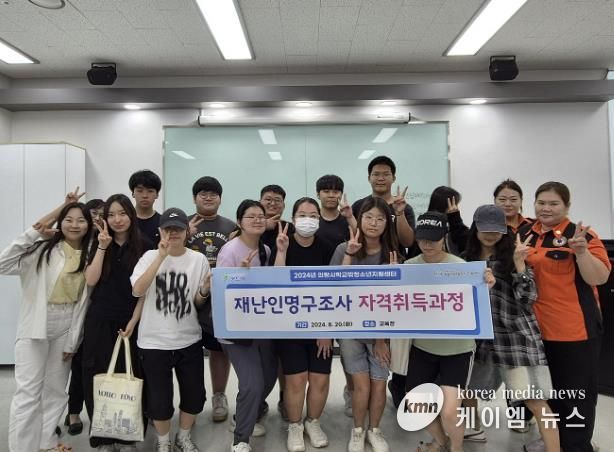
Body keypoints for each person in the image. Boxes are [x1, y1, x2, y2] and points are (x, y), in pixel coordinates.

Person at [519, 181, 610, 452]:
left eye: (553, 203)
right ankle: (553, 442)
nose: (546, 208)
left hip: (573, 332)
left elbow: (599, 277)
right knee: (547, 393)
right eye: (541, 203)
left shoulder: (581, 236)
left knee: (576, 395)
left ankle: (577, 446)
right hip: (535, 332)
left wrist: (581, 252)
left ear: (567, 206)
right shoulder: (525, 233)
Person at [0, 188, 92, 452]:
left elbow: (83, 304)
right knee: (29, 392)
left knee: (56, 390)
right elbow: (3, 263)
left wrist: (73, 341)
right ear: (59, 222)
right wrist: (46, 222)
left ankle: (46, 442)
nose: (74, 225)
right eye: (68, 219)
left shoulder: (90, 254)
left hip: (67, 324)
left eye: (81, 220)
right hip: (37, 323)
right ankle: (23, 448)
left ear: (88, 225)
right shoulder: (41, 250)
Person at [463, 205, 559, 452]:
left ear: (504, 231)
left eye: (496, 230)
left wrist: (519, 264)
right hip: (480, 338)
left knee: (535, 399)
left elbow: (528, 298)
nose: (490, 235)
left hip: (515, 339)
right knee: (467, 388)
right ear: (475, 228)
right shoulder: (465, 260)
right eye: (485, 229)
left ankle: (554, 448)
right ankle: (472, 428)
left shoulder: (514, 257)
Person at [400, 212, 494, 452]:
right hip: (423, 347)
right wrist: (392, 279)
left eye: (434, 239)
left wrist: (486, 285)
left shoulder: (461, 267)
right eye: (423, 239)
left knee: (450, 410)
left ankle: (457, 448)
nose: (427, 244)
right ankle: (441, 442)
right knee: (415, 404)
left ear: (444, 237)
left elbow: (477, 303)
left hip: (458, 349)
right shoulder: (409, 267)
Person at [130, 208, 210, 452]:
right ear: (160, 231)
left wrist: (204, 290)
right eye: (168, 229)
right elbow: (137, 290)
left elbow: (197, 302)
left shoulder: (198, 260)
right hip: (154, 342)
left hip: (189, 338)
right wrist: (160, 258)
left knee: (194, 395)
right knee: (159, 399)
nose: (173, 233)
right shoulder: (148, 257)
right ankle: (163, 441)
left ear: (187, 232)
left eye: (178, 229)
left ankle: (183, 437)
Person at [81, 194, 153, 451]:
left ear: (131, 216)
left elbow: (146, 291)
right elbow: (91, 280)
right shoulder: (96, 243)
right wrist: (102, 247)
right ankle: (103, 438)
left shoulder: (145, 246)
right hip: (100, 320)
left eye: (122, 213)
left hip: (132, 321)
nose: (117, 219)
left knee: (132, 376)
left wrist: (134, 319)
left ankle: (127, 437)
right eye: (111, 215)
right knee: (98, 376)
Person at [331, 197, 400, 452]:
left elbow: (390, 301)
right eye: (368, 217)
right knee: (360, 386)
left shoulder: (392, 254)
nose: (373, 223)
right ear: (359, 220)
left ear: (387, 223)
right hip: (350, 331)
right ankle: (358, 431)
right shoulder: (343, 248)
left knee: (379, 384)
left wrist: (381, 339)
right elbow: (335, 288)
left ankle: (375, 430)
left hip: (381, 333)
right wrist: (349, 254)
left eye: (380, 218)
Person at [350, 156, 415, 409]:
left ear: (393, 177)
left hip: (393, 271)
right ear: (369, 177)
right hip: (362, 277)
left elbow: (408, 242)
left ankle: (392, 387)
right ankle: (355, 392)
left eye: (385, 174)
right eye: (376, 174)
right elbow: (355, 239)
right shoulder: (360, 205)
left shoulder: (403, 206)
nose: (380, 178)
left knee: (391, 339)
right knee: (356, 341)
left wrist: (399, 213)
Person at [274, 197, 335, 452]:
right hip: (290, 326)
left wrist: (326, 329)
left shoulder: (327, 247)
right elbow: (275, 284)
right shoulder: (282, 243)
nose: (307, 220)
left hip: (322, 324)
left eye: (312, 215)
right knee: (296, 380)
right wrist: (281, 251)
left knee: (320, 379)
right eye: (301, 215)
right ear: (293, 218)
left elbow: (335, 289)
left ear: (319, 219)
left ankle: (313, 422)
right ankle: (295, 425)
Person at [216, 200, 278, 452]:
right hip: (235, 330)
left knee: (269, 376)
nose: (257, 220)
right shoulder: (229, 251)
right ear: (239, 221)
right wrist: (239, 276)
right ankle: (241, 439)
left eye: (261, 216)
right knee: (252, 383)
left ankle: (247, 411)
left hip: (260, 325)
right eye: (251, 216)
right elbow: (220, 290)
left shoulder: (266, 249)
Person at [187, 176, 236, 423]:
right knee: (188, 353)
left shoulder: (231, 226)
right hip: (186, 298)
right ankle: (190, 403)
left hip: (219, 300)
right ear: (194, 198)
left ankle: (219, 396)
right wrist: (185, 234)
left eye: (213, 194)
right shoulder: (183, 224)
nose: (208, 198)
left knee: (218, 351)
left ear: (220, 198)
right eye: (202, 194)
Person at [314, 174, 357, 418]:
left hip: (345, 293)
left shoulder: (345, 220)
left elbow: (361, 239)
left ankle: (351, 393)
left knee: (348, 350)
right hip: (316, 294)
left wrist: (350, 217)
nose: (331, 195)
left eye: (335, 191)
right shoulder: (311, 220)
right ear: (318, 194)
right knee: (316, 351)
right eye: (326, 191)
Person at [63, 197, 105, 435]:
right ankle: (73, 413)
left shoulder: (106, 240)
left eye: (102, 214)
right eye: (93, 214)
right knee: (77, 367)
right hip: (74, 311)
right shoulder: (79, 242)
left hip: (98, 315)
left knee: (91, 367)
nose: (97, 218)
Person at [129, 169, 162, 246]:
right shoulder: (125, 221)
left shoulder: (163, 222)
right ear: (133, 193)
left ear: (157, 195)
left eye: (150, 191)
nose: (145, 195)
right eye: (140, 191)